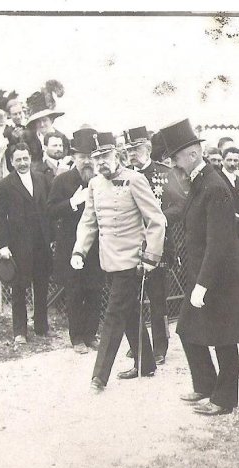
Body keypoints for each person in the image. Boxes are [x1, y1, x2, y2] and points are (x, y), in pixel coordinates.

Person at [162, 118, 239, 415]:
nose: (174, 164)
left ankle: (224, 399)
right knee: (187, 329)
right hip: (203, 272)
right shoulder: (200, 182)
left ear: (192, 154)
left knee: (223, 337)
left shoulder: (214, 186)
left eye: (177, 158)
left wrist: (203, 284)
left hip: (220, 276)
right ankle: (205, 384)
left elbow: (219, 242)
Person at [72, 131, 166, 391]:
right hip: (108, 260)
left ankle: (99, 376)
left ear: (118, 154)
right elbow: (88, 221)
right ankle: (146, 363)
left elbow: (156, 220)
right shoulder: (94, 184)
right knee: (130, 311)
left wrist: (151, 256)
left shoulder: (135, 180)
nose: (101, 162)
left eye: (105, 155)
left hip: (131, 261)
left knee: (113, 315)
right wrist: (79, 251)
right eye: (96, 157)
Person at [124, 125, 186, 364]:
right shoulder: (122, 176)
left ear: (148, 149)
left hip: (157, 245)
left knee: (157, 299)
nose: (132, 154)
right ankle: (139, 344)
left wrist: (158, 219)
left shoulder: (164, 173)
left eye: (136, 149)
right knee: (133, 298)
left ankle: (160, 346)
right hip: (130, 245)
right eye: (128, 150)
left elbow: (180, 205)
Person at [47, 128, 104, 354]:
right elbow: (50, 211)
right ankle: (77, 337)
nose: (87, 161)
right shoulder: (62, 180)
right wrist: (72, 202)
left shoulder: (102, 180)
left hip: (97, 245)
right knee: (75, 291)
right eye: (82, 157)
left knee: (95, 289)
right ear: (74, 157)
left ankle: (91, 334)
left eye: (91, 157)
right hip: (71, 246)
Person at [0, 143, 53, 345]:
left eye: (25, 158)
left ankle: (41, 327)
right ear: (11, 162)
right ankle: (20, 331)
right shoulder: (4, 185)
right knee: (19, 287)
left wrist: (51, 238)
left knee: (42, 285)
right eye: (18, 159)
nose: (23, 163)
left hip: (41, 242)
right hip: (18, 245)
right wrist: (3, 245)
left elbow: (48, 210)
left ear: (30, 159)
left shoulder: (42, 179)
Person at [23, 86, 70, 165]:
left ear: (51, 120)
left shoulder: (63, 138)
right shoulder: (29, 139)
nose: (42, 124)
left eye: (44, 120)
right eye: (38, 121)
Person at [218, 146, 239, 250]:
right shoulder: (218, 179)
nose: (232, 164)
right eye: (229, 160)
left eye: (235, 160)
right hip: (222, 229)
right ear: (222, 161)